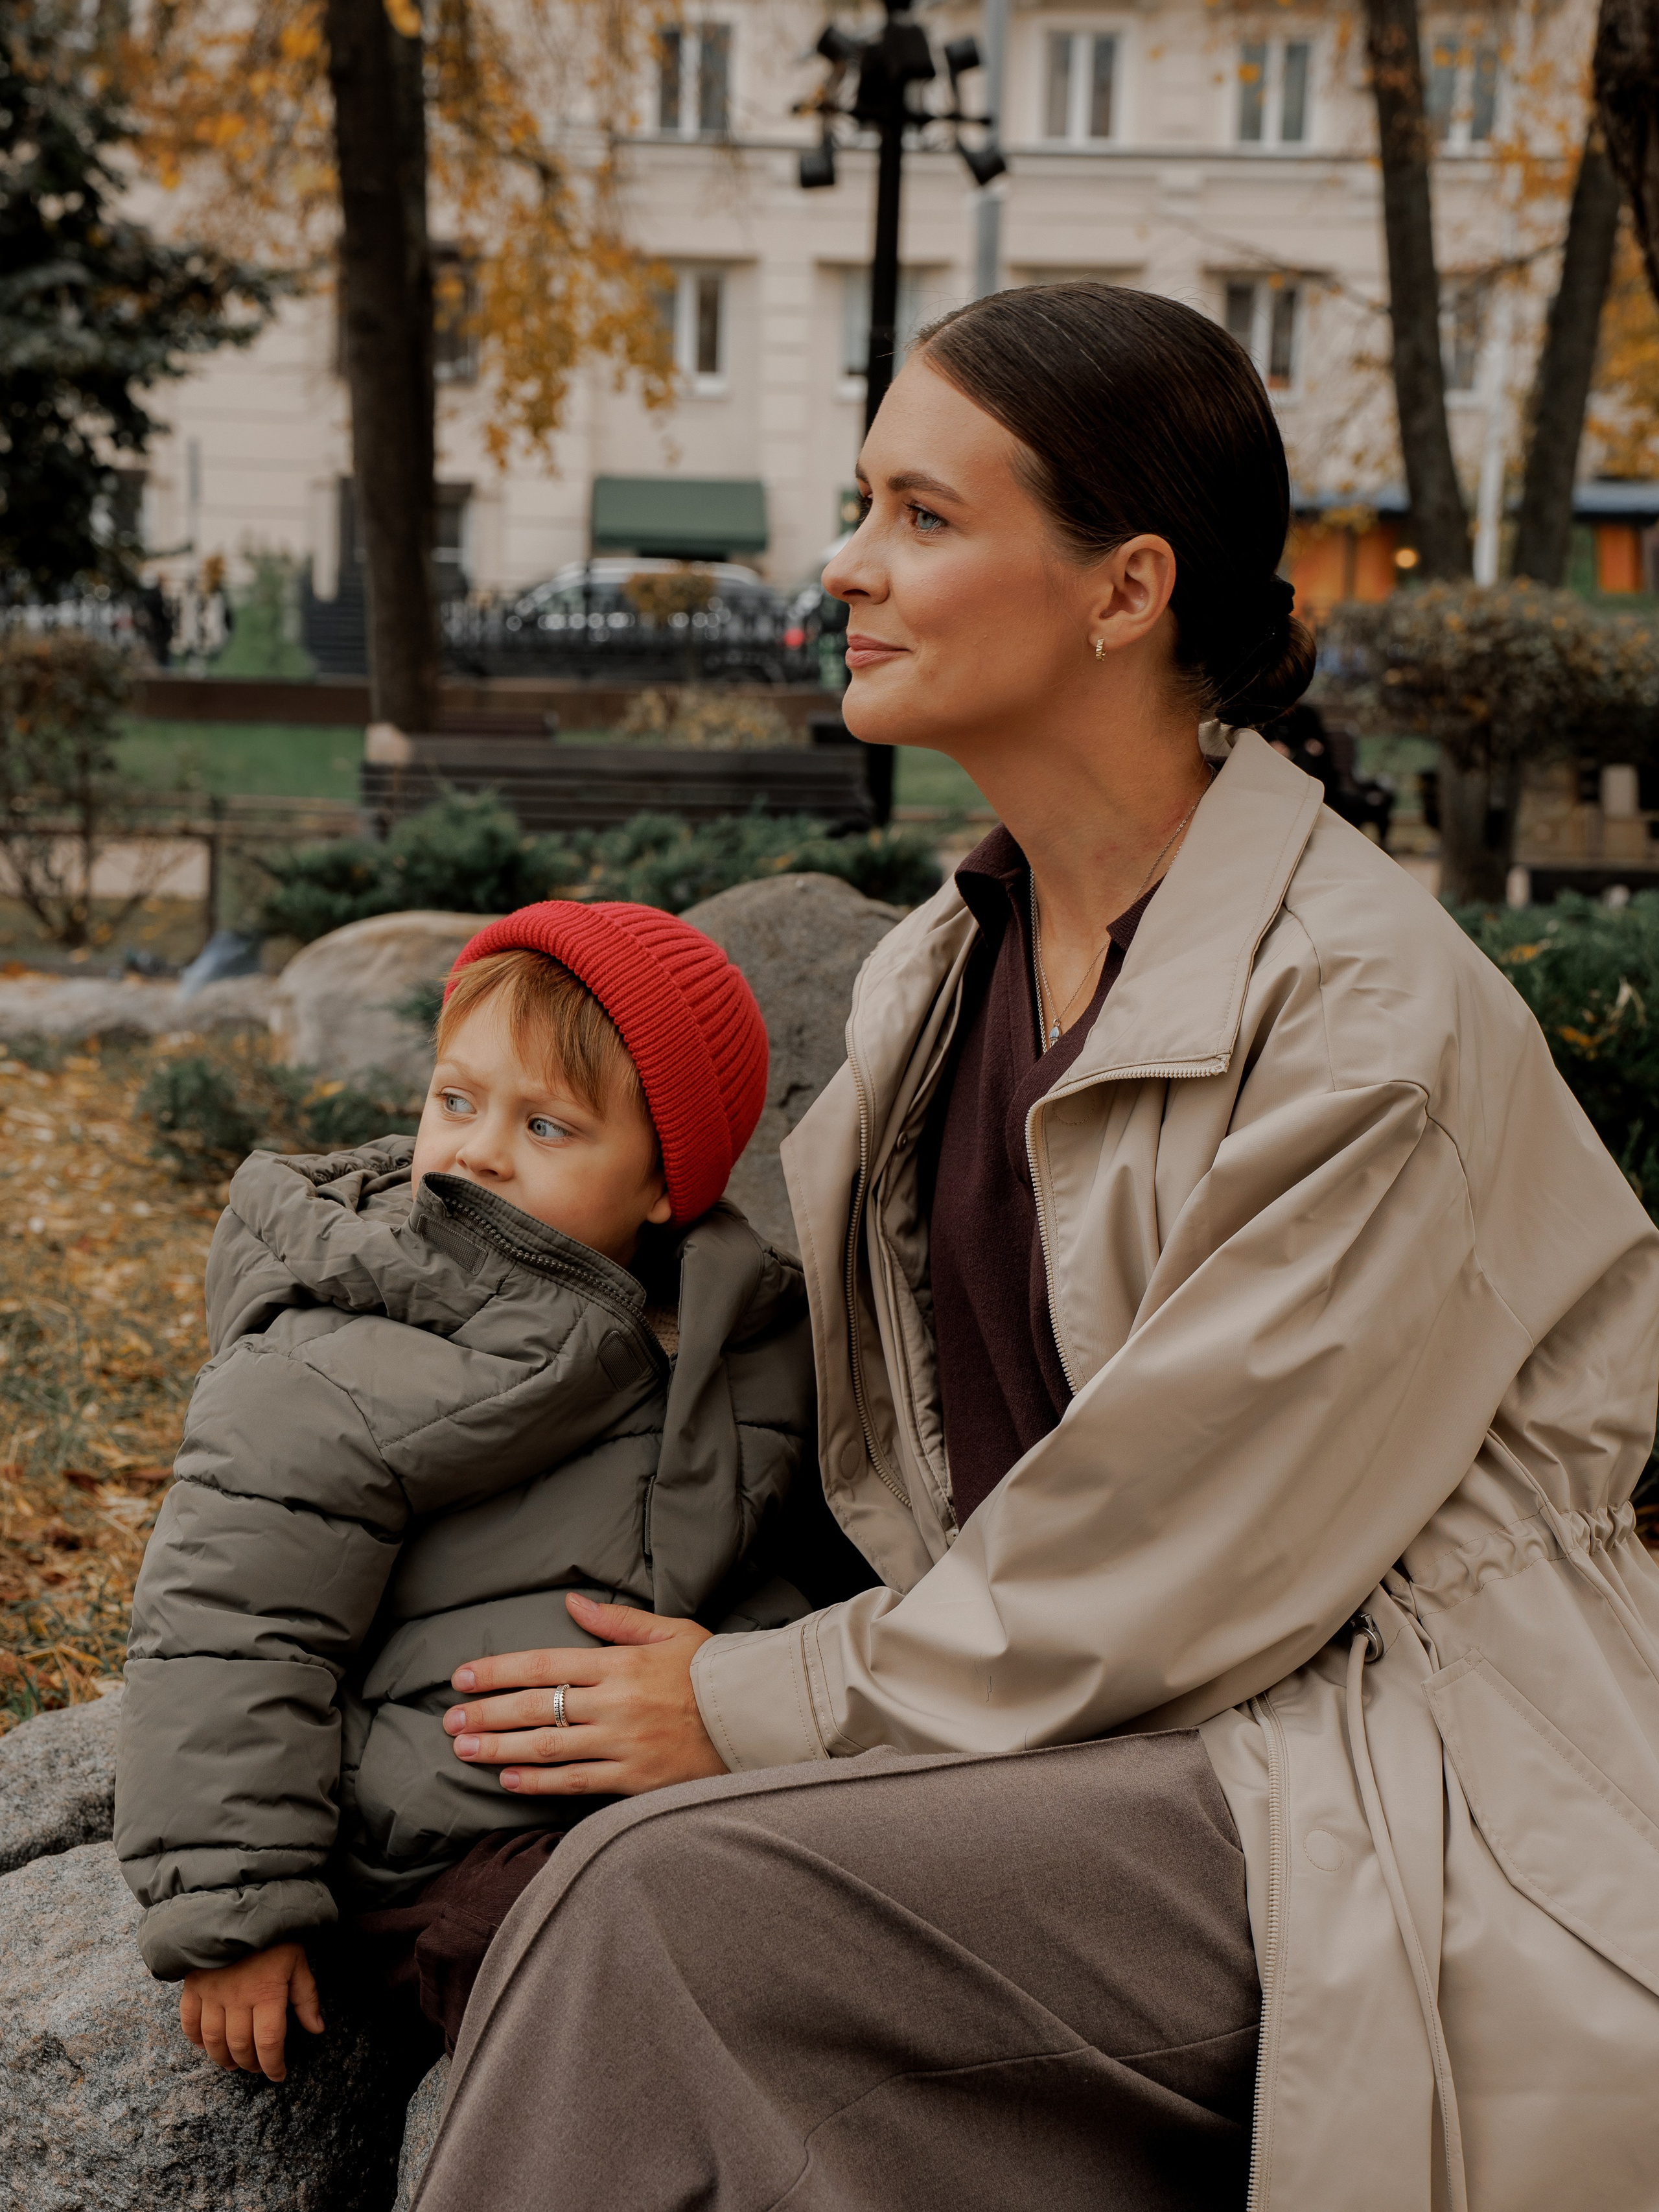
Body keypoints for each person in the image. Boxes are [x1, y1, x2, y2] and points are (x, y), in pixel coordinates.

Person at [423, 286, 1659, 2211]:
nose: (845, 564)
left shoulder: (1362, 1015)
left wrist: (752, 1708)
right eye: (863, 507)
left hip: (1374, 1758)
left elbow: (1175, 1553)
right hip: (1098, 1737)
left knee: (668, 1901)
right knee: (490, 1878)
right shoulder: (945, 963)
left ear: (1124, 588)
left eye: (922, 515)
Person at [111, 902, 826, 2079]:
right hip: (421, 1846)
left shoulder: (744, 1333)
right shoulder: (344, 1342)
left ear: (664, 1182)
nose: (478, 1149)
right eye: (456, 1098)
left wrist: (765, 1681)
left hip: (654, 1783)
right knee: (598, 1953)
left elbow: (789, 1556)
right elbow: (228, 1623)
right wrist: (236, 1910)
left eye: (547, 1124)